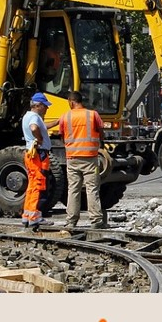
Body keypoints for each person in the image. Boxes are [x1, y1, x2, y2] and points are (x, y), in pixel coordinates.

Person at [58, 90, 106, 229]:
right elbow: (101, 133)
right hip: (90, 158)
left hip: (72, 158)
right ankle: (96, 220)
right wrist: (99, 144)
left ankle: (71, 220)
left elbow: (62, 136)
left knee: (73, 189)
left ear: (71, 102)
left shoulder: (65, 117)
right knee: (92, 189)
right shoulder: (93, 115)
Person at [21, 92, 54, 229]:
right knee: (38, 185)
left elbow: (40, 127)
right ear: (38, 105)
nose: (47, 109)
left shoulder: (27, 116)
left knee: (32, 186)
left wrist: (58, 122)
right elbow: (34, 128)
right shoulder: (34, 117)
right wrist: (40, 139)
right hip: (38, 155)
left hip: (31, 154)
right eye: (45, 106)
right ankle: (35, 217)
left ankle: (27, 216)